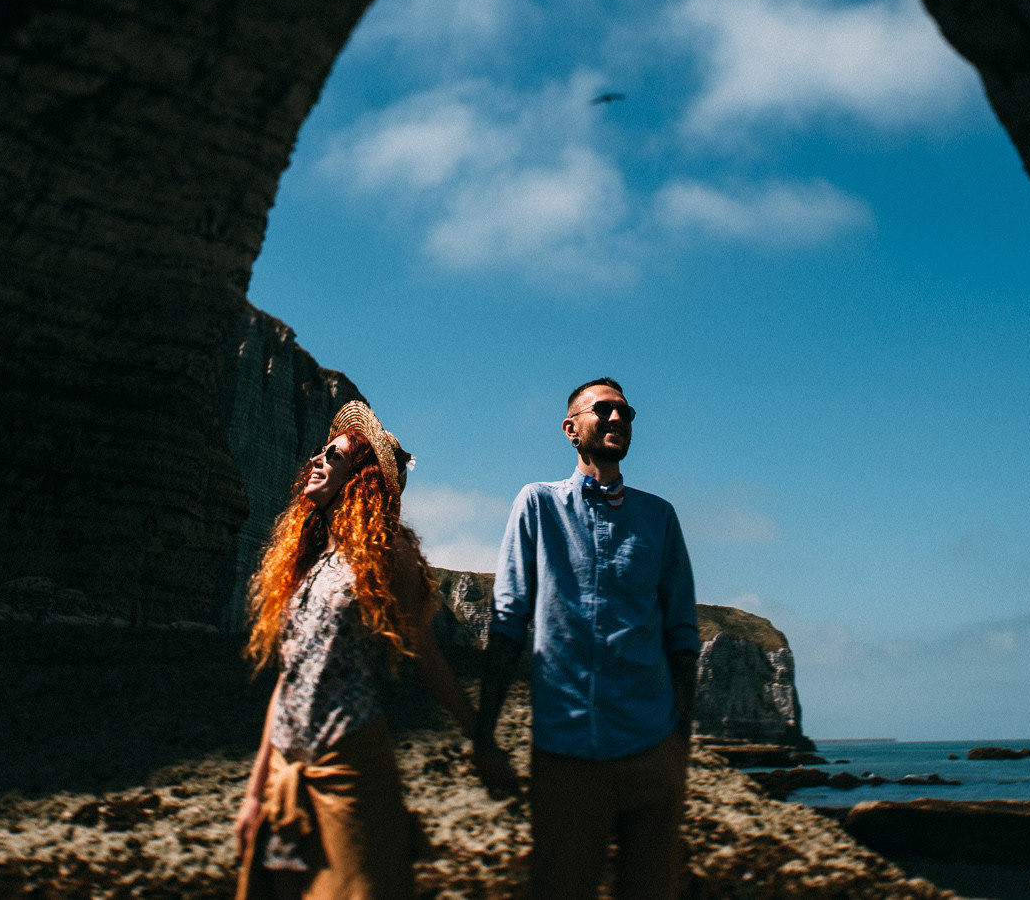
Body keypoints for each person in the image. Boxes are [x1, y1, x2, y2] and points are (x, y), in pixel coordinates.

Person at [233, 400, 518, 900]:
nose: (318, 460)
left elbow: (427, 655)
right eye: (321, 453)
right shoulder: (309, 558)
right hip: (285, 770)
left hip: (348, 763)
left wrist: (482, 740)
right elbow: (288, 679)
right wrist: (255, 795)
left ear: (362, 479)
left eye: (335, 456)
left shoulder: (388, 552)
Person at [475, 378, 699, 900]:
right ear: (570, 429)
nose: (619, 418)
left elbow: (681, 634)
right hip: (566, 754)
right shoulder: (537, 505)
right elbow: (508, 621)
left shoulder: (659, 517)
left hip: (651, 750)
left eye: (626, 411)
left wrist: (678, 743)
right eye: (604, 410)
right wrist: (485, 737)